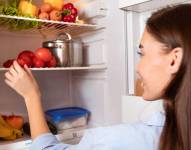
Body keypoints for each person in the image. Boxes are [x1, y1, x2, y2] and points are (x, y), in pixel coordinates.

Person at [4, 4, 191, 150]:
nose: (137, 68)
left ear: (174, 60)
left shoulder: (116, 141)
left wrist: (31, 96)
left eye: (141, 53)